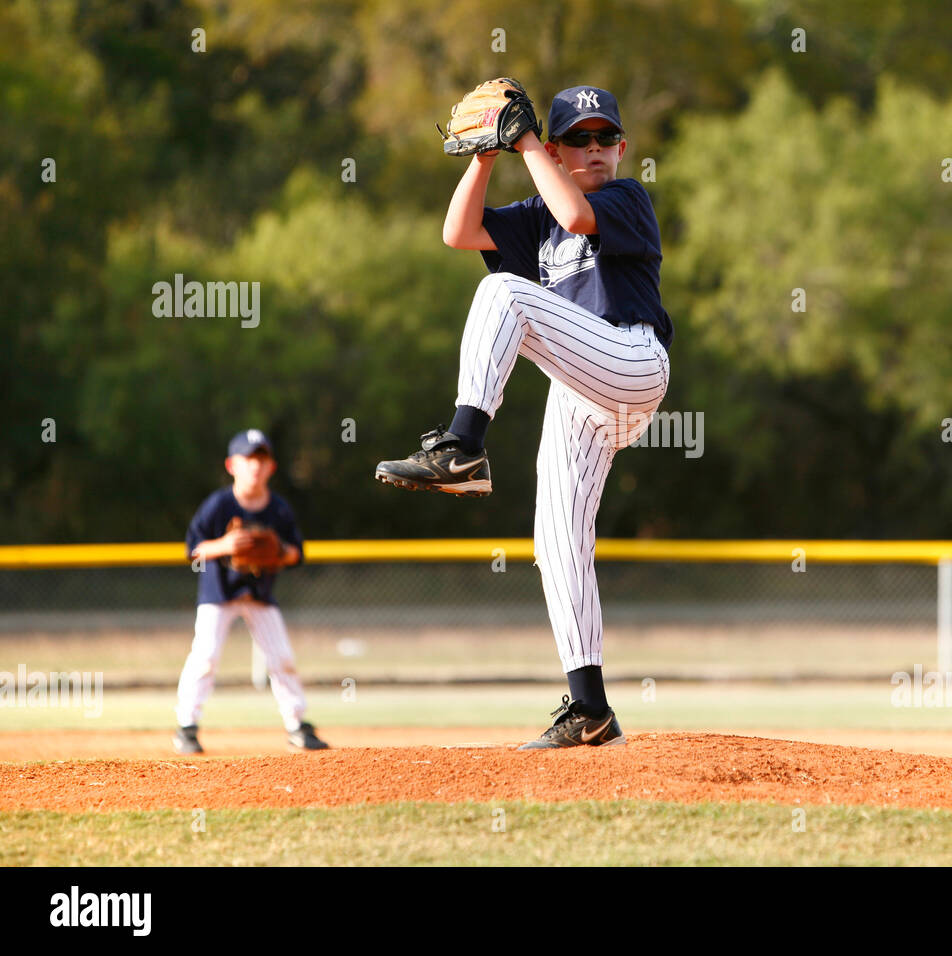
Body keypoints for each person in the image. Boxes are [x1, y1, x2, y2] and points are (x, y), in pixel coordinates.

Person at [375, 85, 673, 749]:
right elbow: (458, 231)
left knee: (505, 293)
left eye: (605, 138)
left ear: (622, 148)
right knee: (556, 538)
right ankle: (590, 708)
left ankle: (464, 445)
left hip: (630, 361)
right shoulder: (535, 216)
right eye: (578, 139)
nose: (593, 149)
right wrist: (485, 155)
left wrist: (528, 143)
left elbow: (574, 217)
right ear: (562, 150)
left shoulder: (625, 199)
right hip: (581, 392)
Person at [173, 429, 329, 754]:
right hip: (219, 593)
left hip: (259, 593)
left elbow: (297, 554)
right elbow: (193, 549)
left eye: (262, 459)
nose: (255, 466)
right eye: (248, 459)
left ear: (271, 467)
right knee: (205, 657)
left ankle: (298, 726)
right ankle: (186, 728)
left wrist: (279, 551)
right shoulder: (218, 505)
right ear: (232, 465)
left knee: (282, 658)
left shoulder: (279, 510)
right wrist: (224, 545)